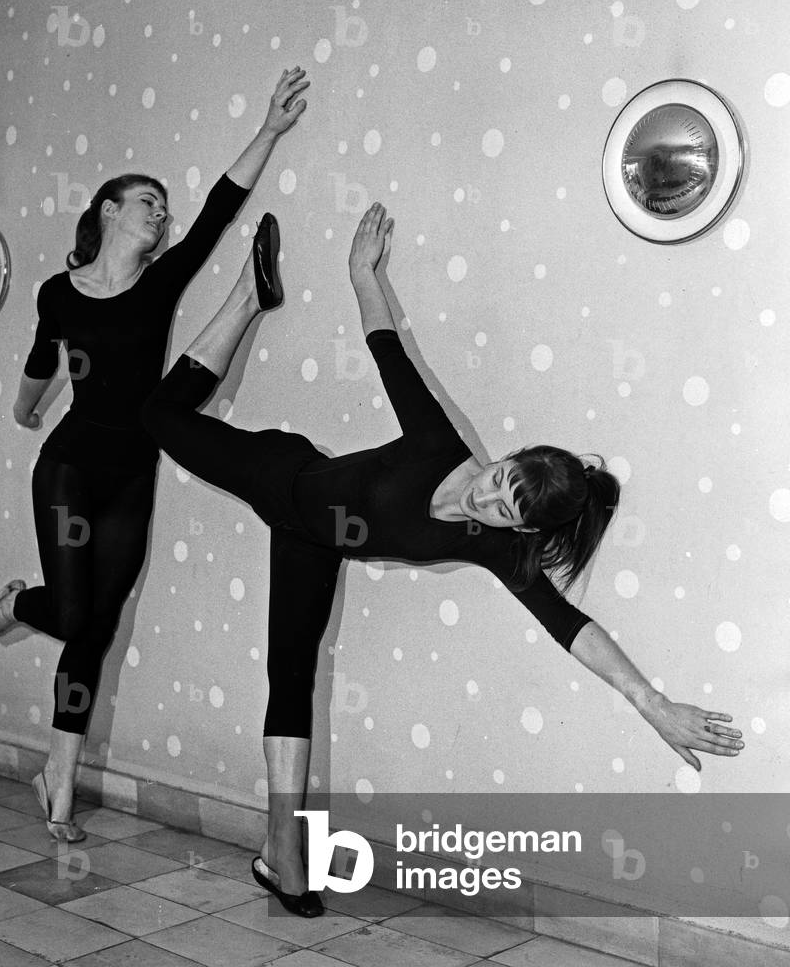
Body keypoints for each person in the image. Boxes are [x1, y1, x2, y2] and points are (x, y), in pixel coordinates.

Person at [141, 202, 744, 915]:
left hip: (310, 540)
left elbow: (567, 624)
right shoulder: (436, 443)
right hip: (281, 472)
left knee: (290, 676)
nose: (483, 504)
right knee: (156, 417)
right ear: (505, 460)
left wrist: (652, 702)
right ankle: (248, 297)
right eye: (496, 484)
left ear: (520, 527)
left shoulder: (490, 547)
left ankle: (284, 859)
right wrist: (362, 272)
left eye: (503, 512)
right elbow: (384, 344)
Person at [0, 67, 310, 842]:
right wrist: (24, 410)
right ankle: (14, 607)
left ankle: (59, 774)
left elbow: (222, 210)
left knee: (93, 627)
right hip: (68, 465)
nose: (161, 213)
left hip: (132, 475)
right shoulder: (59, 291)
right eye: (148, 201)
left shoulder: (160, 287)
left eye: (164, 206)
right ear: (108, 211)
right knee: (67, 610)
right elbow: (38, 362)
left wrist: (269, 127)